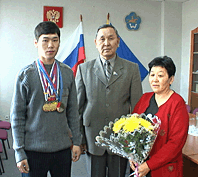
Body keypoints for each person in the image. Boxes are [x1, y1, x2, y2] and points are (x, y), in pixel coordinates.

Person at [10, 21, 81, 177]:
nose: (50, 45)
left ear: (59, 43)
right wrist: (19, 151)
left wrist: (77, 141)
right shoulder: (25, 75)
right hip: (33, 151)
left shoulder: (67, 73)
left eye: (55, 40)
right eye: (45, 40)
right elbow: (17, 117)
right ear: (36, 43)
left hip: (62, 150)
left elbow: (73, 111)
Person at [75, 24, 142, 177]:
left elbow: (138, 108)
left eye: (111, 38)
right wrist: (80, 138)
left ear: (118, 42)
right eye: (102, 39)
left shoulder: (132, 69)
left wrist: (134, 142)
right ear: (96, 42)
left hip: (120, 139)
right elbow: (78, 107)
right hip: (92, 136)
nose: (106, 43)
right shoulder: (84, 69)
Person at [130, 56, 189, 177]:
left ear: (171, 79)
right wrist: (131, 155)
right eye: (152, 75)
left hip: (164, 169)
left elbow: (176, 143)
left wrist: (149, 165)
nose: (155, 80)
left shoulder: (177, 104)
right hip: (140, 166)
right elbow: (131, 127)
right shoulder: (145, 98)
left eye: (160, 76)